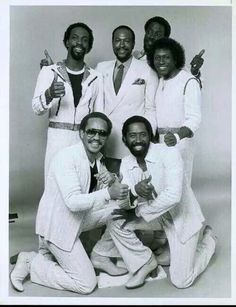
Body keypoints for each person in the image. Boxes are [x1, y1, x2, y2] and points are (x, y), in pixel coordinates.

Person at [10, 112, 130, 294]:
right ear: (81, 133)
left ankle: (101, 256)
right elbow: (73, 203)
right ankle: (30, 262)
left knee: (120, 210)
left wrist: (112, 180)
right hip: (58, 226)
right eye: (91, 131)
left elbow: (101, 197)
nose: (97, 137)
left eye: (102, 133)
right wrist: (108, 192)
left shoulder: (97, 160)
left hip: (78, 219)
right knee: (86, 284)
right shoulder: (66, 157)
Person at [92, 116, 216, 289]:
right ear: (125, 139)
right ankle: (144, 262)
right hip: (157, 218)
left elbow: (173, 196)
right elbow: (127, 203)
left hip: (182, 220)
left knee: (181, 281)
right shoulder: (127, 163)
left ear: (150, 136)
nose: (138, 140)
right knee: (115, 217)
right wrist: (134, 192)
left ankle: (208, 241)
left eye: (143, 135)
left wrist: (139, 212)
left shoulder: (169, 153)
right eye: (132, 135)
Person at [32, 22, 103, 180]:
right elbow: (36, 108)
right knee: (55, 184)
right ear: (67, 42)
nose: (79, 42)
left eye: (85, 40)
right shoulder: (49, 71)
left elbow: (99, 114)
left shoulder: (96, 77)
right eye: (75, 38)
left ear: (89, 46)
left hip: (84, 141)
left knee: (80, 185)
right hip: (57, 139)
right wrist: (49, 93)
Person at [95, 25, 158, 160]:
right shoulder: (101, 68)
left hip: (133, 138)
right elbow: (96, 104)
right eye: (117, 40)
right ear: (112, 43)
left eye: (127, 41)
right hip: (107, 137)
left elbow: (151, 108)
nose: (121, 45)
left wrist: (147, 138)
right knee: (108, 179)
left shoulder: (147, 69)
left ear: (133, 44)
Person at [147, 37, 201, 184]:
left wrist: (177, 137)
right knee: (161, 187)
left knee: (179, 190)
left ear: (176, 59)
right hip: (160, 143)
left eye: (166, 57)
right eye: (157, 58)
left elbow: (194, 118)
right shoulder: (160, 81)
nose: (161, 61)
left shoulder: (189, 81)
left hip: (181, 143)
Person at [133, 16, 204, 80]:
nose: (151, 37)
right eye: (149, 32)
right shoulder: (134, 57)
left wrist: (195, 71)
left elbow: (189, 81)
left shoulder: (170, 63)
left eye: (157, 34)